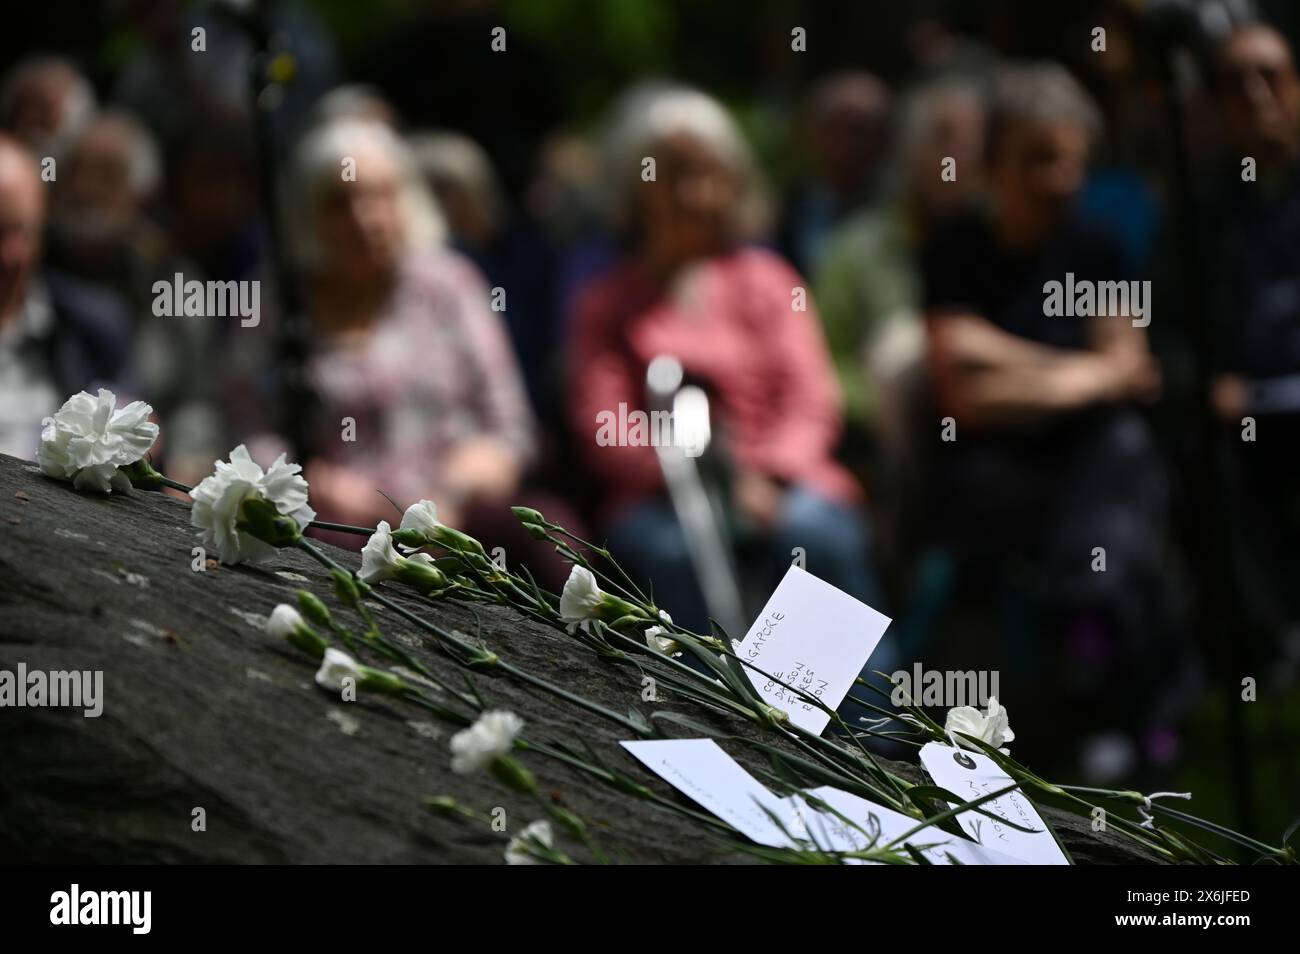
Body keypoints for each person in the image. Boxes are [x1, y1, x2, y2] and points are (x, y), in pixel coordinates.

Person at [919, 64, 1171, 773]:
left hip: (1088, 463)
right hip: (991, 467)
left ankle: (1091, 639)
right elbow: (964, 398)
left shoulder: (1099, 248)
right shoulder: (956, 251)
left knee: (1124, 447)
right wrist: (1091, 376)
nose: (1057, 178)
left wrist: (1001, 358)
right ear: (993, 164)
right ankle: (1104, 670)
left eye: (1069, 160)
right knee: (1101, 469)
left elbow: (1133, 371)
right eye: (1037, 159)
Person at [568, 83, 884, 638]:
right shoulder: (606, 300)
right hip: (664, 493)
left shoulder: (769, 280)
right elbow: (604, 424)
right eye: (673, 175)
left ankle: (845, 719)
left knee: (819, 537)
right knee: (675, 552)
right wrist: (702, 482)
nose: (693, 194)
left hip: (784, 484)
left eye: (709, 174)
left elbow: (811, 400)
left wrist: (764, 476)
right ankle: (710, 713)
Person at [226, 116, 576, 589]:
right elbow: (245, 424)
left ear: (406, 202)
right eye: (340, 201)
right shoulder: (278, 301)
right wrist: (312, 481)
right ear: (308, 213)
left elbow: (509, 426)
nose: (362, 217)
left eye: (378, 196)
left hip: (456, 514)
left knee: (550, 531)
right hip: (330, 519)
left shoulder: (450, 284)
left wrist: (450, 492)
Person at [1199, 22, 1300, 646]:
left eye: (1272, 77)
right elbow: (1167, 324)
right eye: (1237, 83)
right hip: (1251, 414)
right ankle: (1275, 639)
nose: (1257, 94)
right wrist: (1210, 380)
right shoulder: (1199, 214)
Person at [0, 134, 132, 459]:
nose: (12, 255)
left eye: (24, 231)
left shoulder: (93, 330)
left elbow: (131, 412)